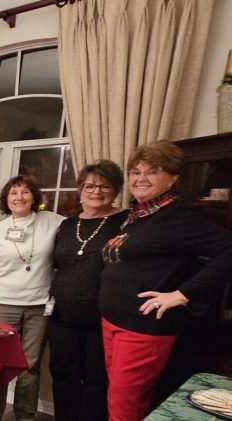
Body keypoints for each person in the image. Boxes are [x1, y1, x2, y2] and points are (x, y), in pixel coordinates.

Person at [99, 140, 232, 421]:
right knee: (120, 401)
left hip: (142, 330)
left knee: (124, 407)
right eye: (135, 172)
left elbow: (228, 253)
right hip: (114, 323)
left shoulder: (179, 216)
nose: (141, 179)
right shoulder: (139, 216)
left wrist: (181, 294)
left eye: (152, 171)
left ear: (172, 178)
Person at [0, 175, 66, 421]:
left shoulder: (52, 222)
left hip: (39, 307)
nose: (19, 197)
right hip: (2, 304)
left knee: (30, 365)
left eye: (25, 192)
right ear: (6, 200)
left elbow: (82, 225)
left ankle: (25, 415)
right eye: (13, 193)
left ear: (34, 197)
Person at [48, 160, 127, 421]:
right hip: (62, 316)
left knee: (97, 380)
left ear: (115, 191)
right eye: (90, 185)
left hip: (102, 317)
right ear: (81, 189)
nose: (97, 191)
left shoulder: (126, 222)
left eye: (105, 186)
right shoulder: (68, 225)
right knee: (62, 375)